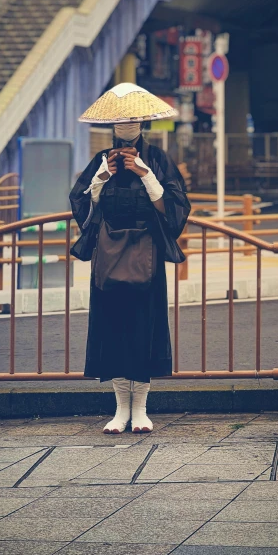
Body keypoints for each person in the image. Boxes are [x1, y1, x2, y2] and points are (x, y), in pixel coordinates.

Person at [70, 83, 190, 434]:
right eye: (120, 126)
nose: (125, 131)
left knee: (143, 331)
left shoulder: (157, 160)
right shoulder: (100, 161)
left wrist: (145, 174)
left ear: (142, 125)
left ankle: (141, 409)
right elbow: (83, 205)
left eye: (131, 124)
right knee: (113, 330)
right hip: (108, 257)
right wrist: (100, 179)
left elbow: (176, 208)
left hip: (146, 258)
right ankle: (121, 409)